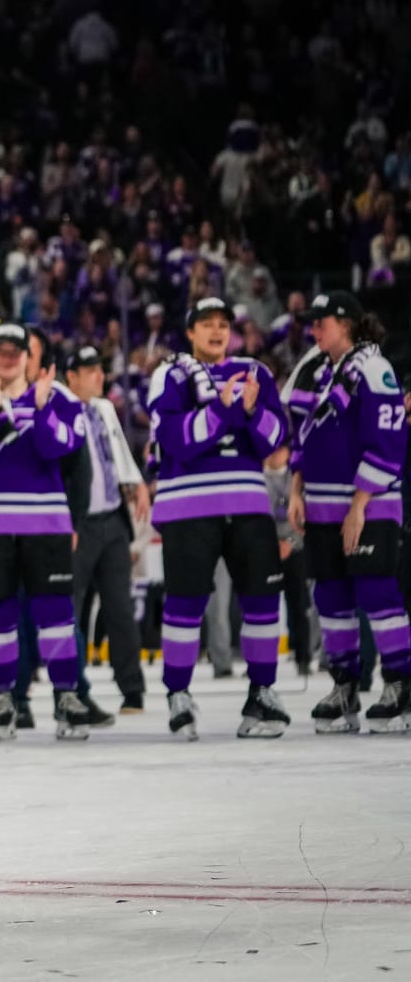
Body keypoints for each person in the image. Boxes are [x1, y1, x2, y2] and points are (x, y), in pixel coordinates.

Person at [145, 296, 291, 740]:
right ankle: (179, 694)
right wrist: (226, 412)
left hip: (248, 504)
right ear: (190, 332)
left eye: (223, 323)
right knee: (186, 604)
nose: (216, 330)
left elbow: (276, 438)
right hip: (187, 506)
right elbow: (176, 440)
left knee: (263, 604)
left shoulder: (256, 373)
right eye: (206, 323)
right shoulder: (169, 373)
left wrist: (248, 410)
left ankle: (263, 691)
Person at [0, 324, 89, 740]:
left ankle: (67, 693)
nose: (8, 358)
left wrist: (43, 409)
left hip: (45, 523)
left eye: (16, 351)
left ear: (30, 355)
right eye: (1, 351)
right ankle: (2, 695)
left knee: (56, 615)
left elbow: (60, 449)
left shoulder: (60, 396)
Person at [288, 291, 410, 732]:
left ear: (348, 324)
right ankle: (345, 688)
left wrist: (359, 505)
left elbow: (388, 441)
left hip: (370, 506)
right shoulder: (317, 370)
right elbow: (302, 437)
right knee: (331, 597)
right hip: (320, 508)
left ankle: (399, 685)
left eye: (322, 321)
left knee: (377, 592)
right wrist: (296, 490)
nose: (314, 328)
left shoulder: (375, 368)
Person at [63, 343, 150, 718]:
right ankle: (71, 689)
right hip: (79, 524)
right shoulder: (62, 409)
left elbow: (117, 451)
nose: (99, 376)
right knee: (72, 609)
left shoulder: (103, 409)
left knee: (120, 608)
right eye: (90, 371)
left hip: (113, 519)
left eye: (100, 369)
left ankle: (133, 690)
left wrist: (136, 481)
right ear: (72, 377)